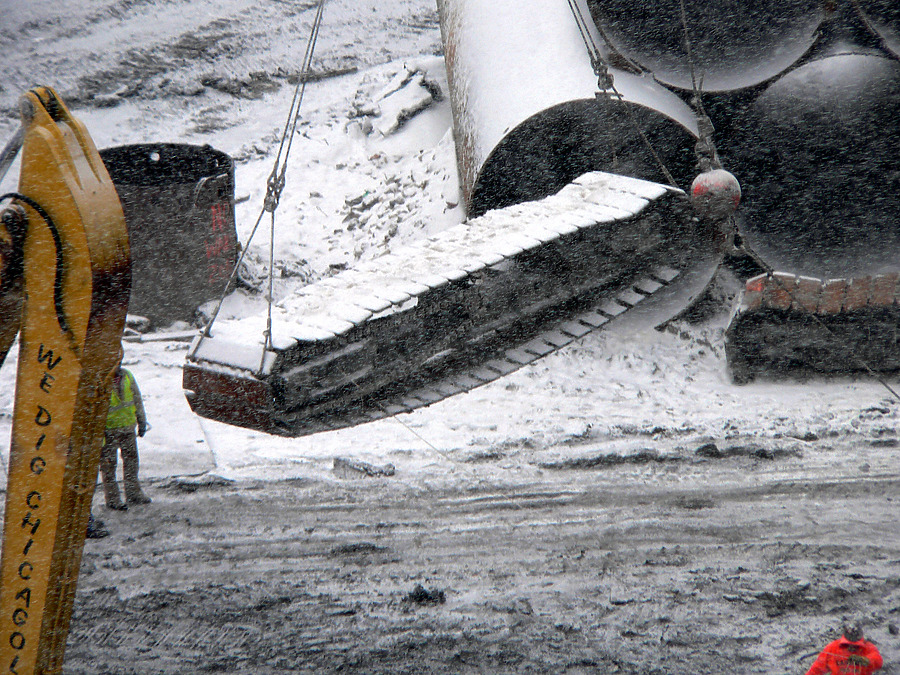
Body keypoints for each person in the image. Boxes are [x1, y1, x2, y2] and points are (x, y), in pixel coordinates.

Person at [99, 364, 151, 510]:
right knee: (108, 466)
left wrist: (141, 421)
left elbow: (137, 400)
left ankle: (133, 493)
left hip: (127, 429)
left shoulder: (127, 376)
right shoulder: (100, 379)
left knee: (131, 462)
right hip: (108, 431)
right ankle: (112, 498)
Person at [805, 622, 883, 675]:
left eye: (856, 646)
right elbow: (816, 669)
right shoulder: (833, 647)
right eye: (848, 645)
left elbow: (878, 661)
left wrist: (865, 660)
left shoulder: (868, 647)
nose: (852, 648)